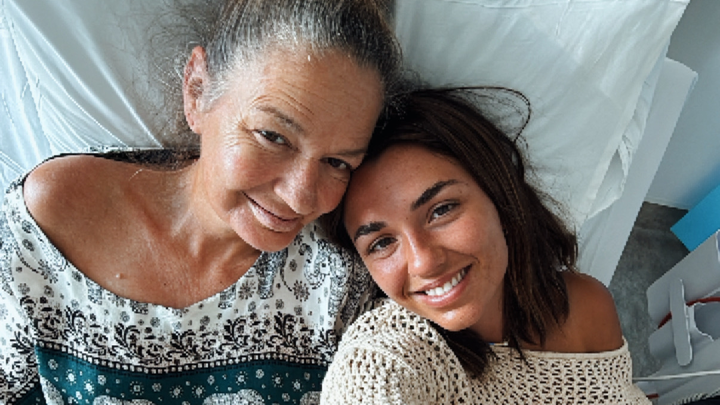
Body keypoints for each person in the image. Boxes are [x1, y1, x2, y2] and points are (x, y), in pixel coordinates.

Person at [0, 0, 401, 403]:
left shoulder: (341, 274)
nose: (300, 196)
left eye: (337, 162)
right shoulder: (54, 218)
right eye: (273, 136)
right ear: (197, 91)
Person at [320, 87, 650, 404]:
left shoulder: (586, 305)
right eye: (381, 243)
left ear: (500, 197)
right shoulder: (384, 357)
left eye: (441, 210)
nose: (423, 262)